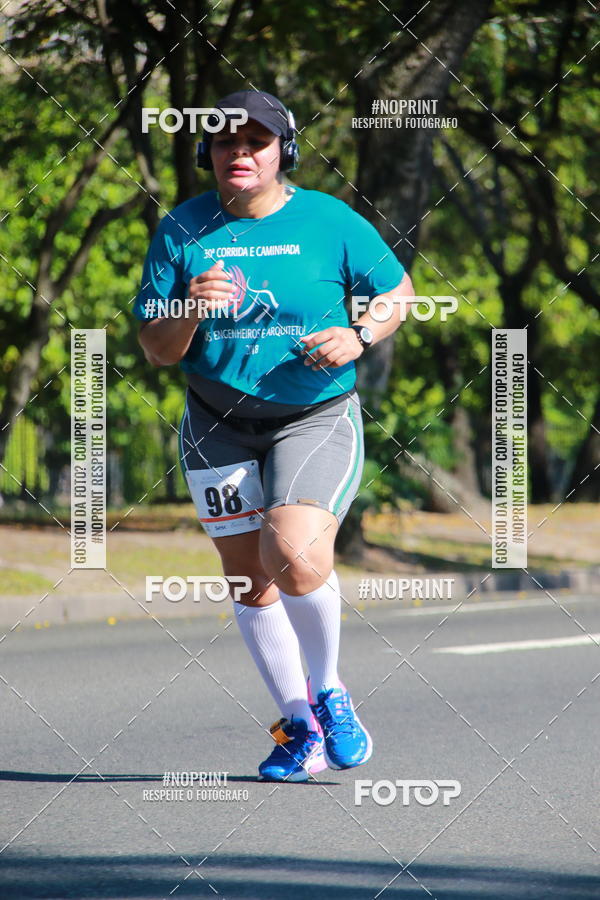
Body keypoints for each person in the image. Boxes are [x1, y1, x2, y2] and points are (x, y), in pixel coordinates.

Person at [133, 89, 414, 782]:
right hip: (215, 424)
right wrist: (189, 309)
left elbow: (399, 292)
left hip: (313, 414)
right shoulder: (182, 229)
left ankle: (329, 692)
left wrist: (360, 334)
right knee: (249, 581)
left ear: (281, 151)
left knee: (291, 552)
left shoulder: (328, 219)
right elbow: (157, 350)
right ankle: (298, 727)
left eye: (256, 142)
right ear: (209, 152)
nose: (240, 153)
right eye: (226, 142)